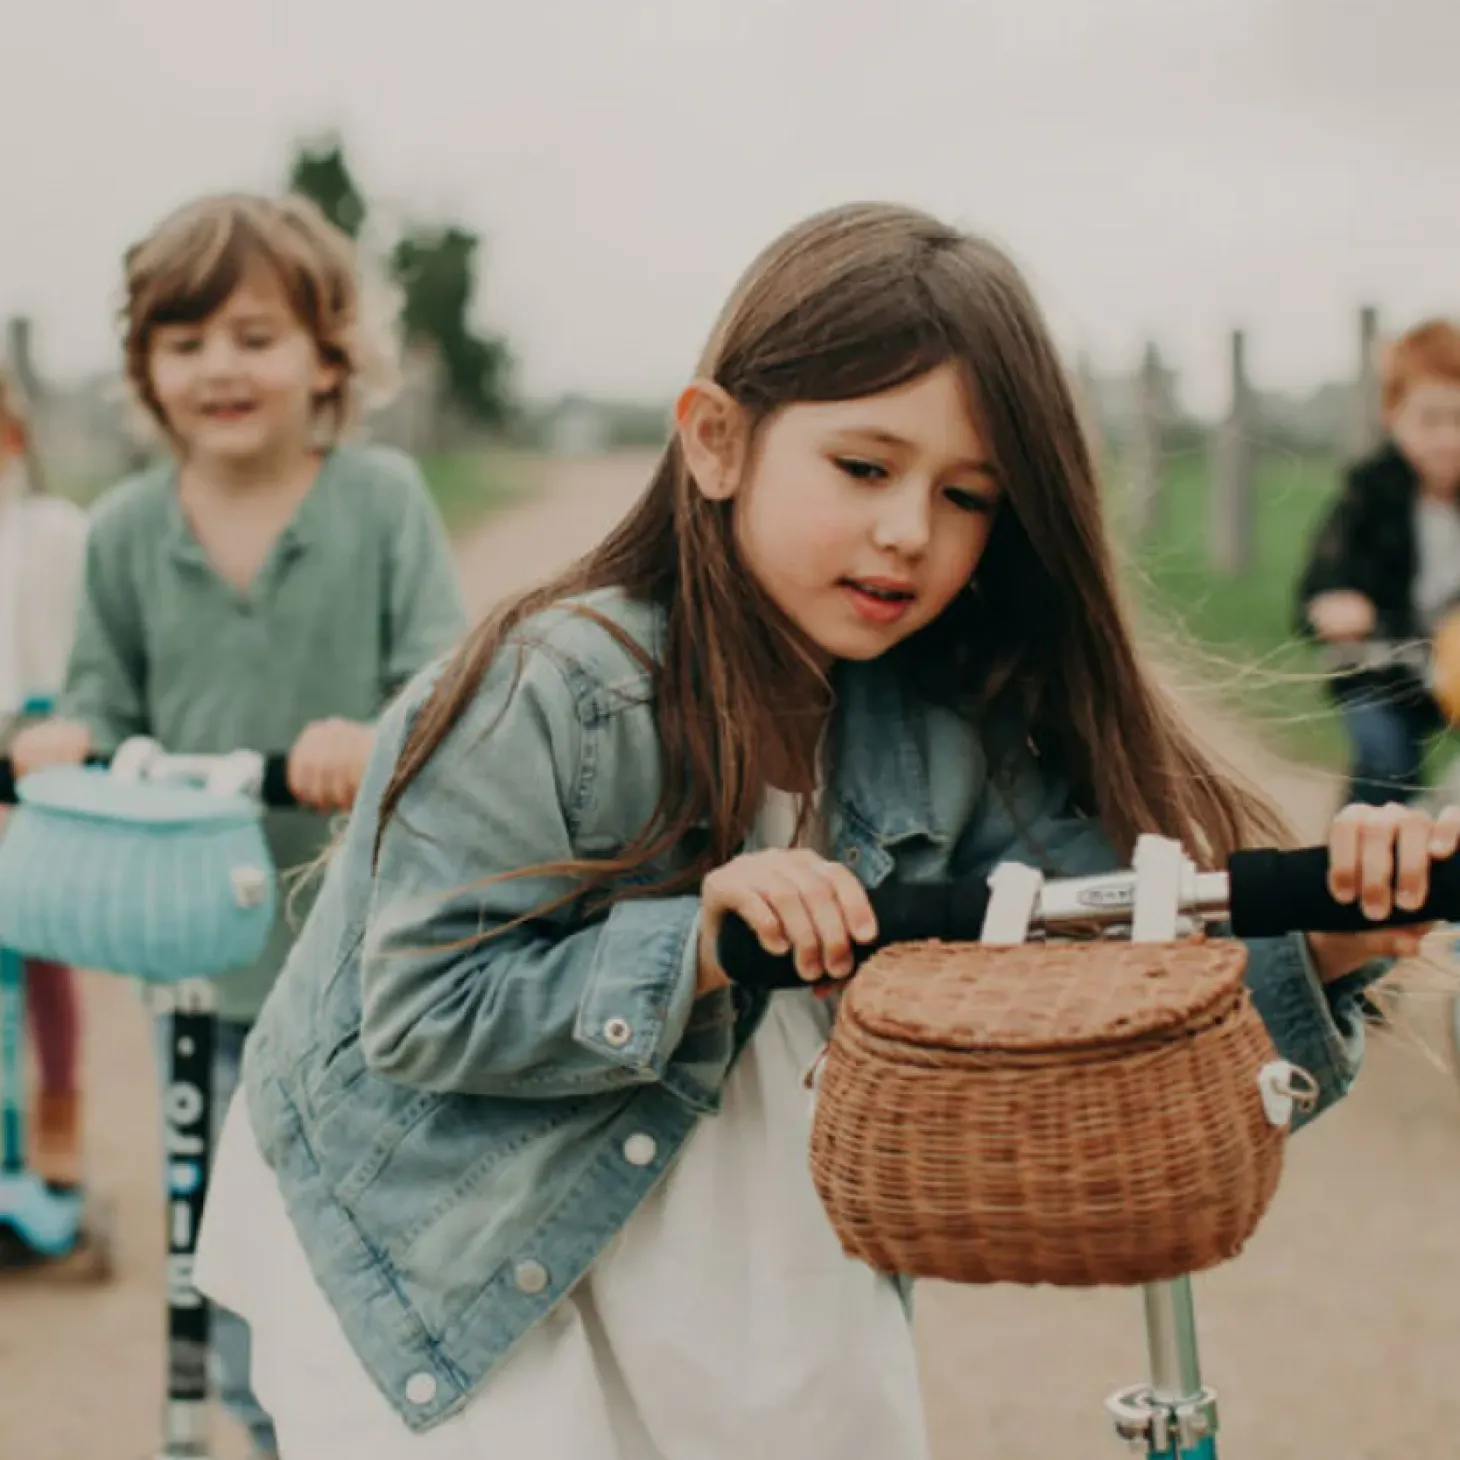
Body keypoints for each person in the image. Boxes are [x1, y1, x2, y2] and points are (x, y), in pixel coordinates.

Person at [195, 203, 1455, 1460]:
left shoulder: (939, 728)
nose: (910, 529)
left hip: (730, 1219)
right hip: (435, 1231)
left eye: (965, 496)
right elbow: (419, 1012)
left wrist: (1332, 945)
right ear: (716, 441)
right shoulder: (557, 684)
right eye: (863, 467)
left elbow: (1107, 970)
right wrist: (692, 941)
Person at [11, 193, 466, 1459]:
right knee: (221, 1260)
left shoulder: (378, 502)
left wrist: (372, 735)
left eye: (256, 335)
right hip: (202, 971)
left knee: (364, 1254)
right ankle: (261, 1426)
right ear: (145, 367)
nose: (220, 365)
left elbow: (445, 687)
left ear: (327, 355)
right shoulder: (123, 533)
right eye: (186, 338)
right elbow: (103, 697)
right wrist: (66, 734)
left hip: (367, 971)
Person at [1297, 318, 1460, 806]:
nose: (1449, 438)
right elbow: (1320, 580)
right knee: (1388, 764)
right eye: (1431, 420)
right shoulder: (1370, 493)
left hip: (1452, 668)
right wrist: (1333, 602)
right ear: (1393, 414)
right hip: (1380, 667)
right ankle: (1346, 869)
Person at [0, 368, 90, 1188]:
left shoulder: (50, 530)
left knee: (36, 940)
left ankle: (58, 1111)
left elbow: (74, 645)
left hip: (31, 745)